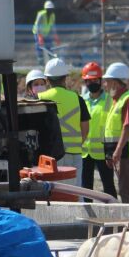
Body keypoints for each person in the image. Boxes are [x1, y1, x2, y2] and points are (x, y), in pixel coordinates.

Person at [38, 58, 90, 187]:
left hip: (50, 155)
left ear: (47, 79)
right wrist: (77, 143)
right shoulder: (77, 99)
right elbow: (85, 128)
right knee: (76, 192)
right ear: (65, 78)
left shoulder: (40, 98)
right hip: (74, 153)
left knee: (53, 192)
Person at [103, 63, 129, 203]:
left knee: (126, 188)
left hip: (127, 152)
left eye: (108, 81)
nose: (105, 84)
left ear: (115, 83)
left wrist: (117, 151)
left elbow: (127, 127)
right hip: (122, 152)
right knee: (125, 187)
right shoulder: (117, 100)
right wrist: (111, 153)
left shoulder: (127, 100)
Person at [81, 62, 117, 200]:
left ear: (101, 80)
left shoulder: (110, 100)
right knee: (85, 189)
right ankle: (87, 218)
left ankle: (114, 215)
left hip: (104, 152)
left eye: (95, 80)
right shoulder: (82, 100)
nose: (92, 83)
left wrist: (111, 150)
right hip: (85, 152)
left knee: (108, 187)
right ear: (85, 82)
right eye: (89, 81)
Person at [32, 0, 60, 66]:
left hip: (46, 33)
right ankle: (40, 62)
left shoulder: (52, 15)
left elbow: (53, 26)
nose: (49, 11)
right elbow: (37, 25)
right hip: (37, 32)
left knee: (49, 45)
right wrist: (39, 36)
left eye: (51, 9)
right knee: (39, 46)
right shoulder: (41, 14)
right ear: (45, 9)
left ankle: (51, 62)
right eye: (48, 9)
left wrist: (55, 35)